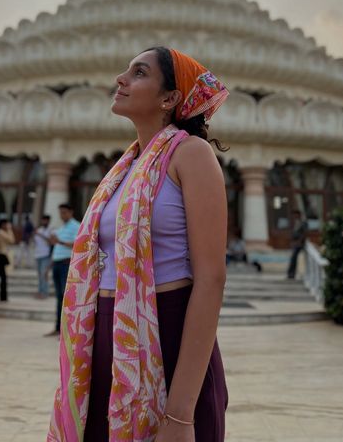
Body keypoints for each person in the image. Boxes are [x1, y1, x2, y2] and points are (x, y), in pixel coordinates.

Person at [48, 47, 230, 442]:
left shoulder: (190, 154)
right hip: (109, 334)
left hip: (170, 331)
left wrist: (180, 413)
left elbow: (211, 278)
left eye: (139, 72)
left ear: (169, 98)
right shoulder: (126, 167)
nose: (121, 79)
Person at [45, 204, 80, 336]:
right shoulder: (61, 228)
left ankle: (66, 331)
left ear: (71, 212)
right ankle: (58, 328)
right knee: (59, 297)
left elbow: (79, 244)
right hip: (57, 264)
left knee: (66, 298)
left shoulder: (76, 226)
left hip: (67, 264)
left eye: (64, 212)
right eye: (60, 213)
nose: (62, 215)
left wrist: (60, 242)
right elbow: (56, 247)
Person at [33, 214, 53, 299]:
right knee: (39, 275)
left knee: (44, 274)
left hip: (46, 255)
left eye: (46, 220)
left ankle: (45, 293)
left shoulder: (51, 230)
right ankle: (40, 291)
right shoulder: (39, 230)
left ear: (48, 221)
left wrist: (41, 235)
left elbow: (51, 242)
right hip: (38, 255)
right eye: (43, 220)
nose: (44, 222)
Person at [286, 209, 308, 279]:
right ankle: (290, 274)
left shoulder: (303, 223)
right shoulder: (295, 223)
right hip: (295, 243)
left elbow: (304, 233)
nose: (294, 216)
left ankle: (291, 274)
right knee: (293, 258)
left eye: (295, 214)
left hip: (300, 243)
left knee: (293, 257)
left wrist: (299, 241)